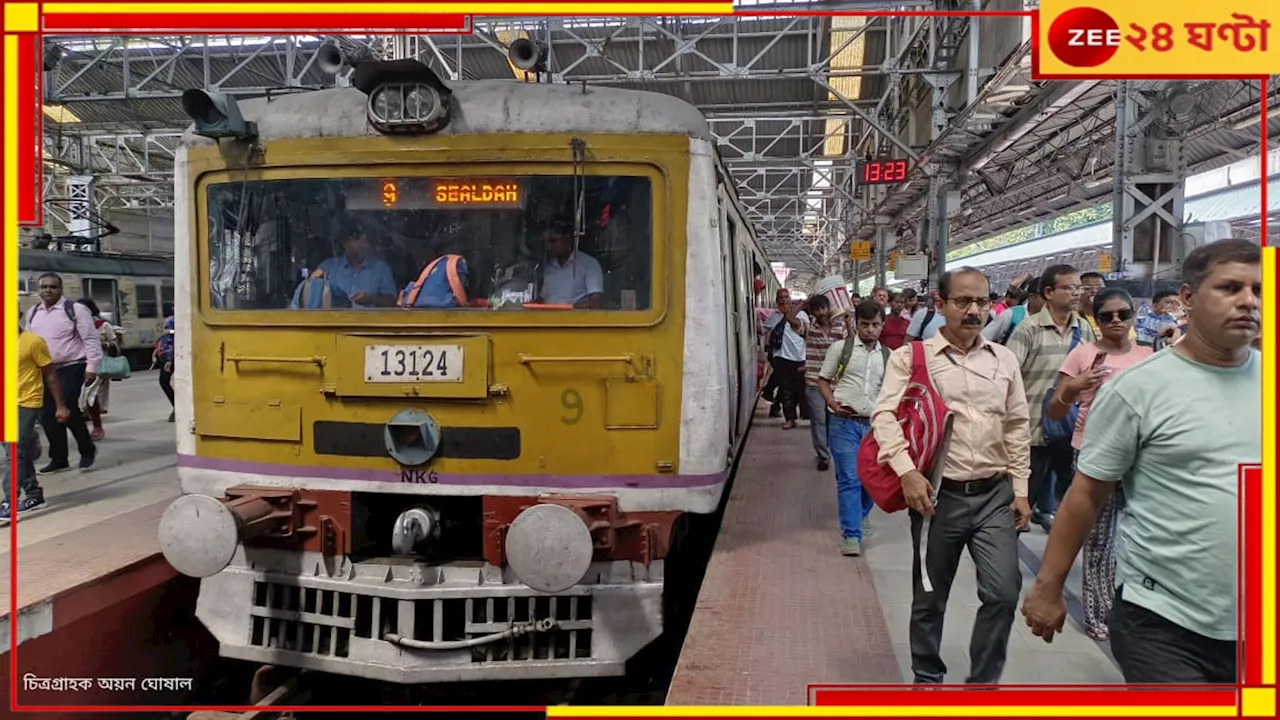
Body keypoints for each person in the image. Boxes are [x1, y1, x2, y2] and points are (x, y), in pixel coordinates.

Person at [1022, 238, 1260, 684]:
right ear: (1187, 298)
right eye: (1230, 288)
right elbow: (1087, 494)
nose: (1248, 301)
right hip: (1165, 623)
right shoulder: (1139, 388)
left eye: (1259, 290)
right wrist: (1048, 586)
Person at [872, 267, 1031, 685]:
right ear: (940, 306)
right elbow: (884, 416)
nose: (974, 310)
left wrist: (1021, 490)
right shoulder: (912, 358)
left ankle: (983, 684)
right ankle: (927, 678)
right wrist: (906, 472)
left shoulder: (1004, 359)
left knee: (1003, 593)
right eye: (963, 301)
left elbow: (1017, 425)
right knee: (929, 596)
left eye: (981, 301)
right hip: (938, 498)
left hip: (995, 495)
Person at [1045, 287, 1152, 641]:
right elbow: (1056, 410)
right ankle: (1098, 615)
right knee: (1099, 540)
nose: (1116, 321)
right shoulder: (1082, 355)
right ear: (1097, 319)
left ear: (1133, 316)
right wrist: (1075, 387)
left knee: (1136, 538)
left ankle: (1134, 607)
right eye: (1107, 316)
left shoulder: (1150, 356)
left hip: (1142, 459)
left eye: (1123, 314)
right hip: (1093, 454)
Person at [1006, 265, 1095, 531]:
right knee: (1019, 507)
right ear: (1048, 292)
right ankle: (1001, 566)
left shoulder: (1085, 330)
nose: (1077, 293)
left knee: (1076, 505)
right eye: (1069, 287)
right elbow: (1007, 378)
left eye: (1078, 287)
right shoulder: (1028, 330)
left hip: (1069, 432)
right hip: (1031, 432)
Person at [817, 301, 886, 556]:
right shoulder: (841, 349)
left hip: (875, 427)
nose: (870, 330)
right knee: (849, 478)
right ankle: (851, 535)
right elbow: (823, 379)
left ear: (882, 326)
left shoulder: (888, 356)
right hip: (843, 423)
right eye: (865, 324)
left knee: (872, 480)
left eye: (875, 325)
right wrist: (833, 403)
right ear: (856, 324)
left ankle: (861, 513)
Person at [24, 272, 100, 473]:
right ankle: (59, 458)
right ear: (38, 289)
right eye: (43, 287)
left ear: (60, 289)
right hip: (43, 369)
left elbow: (91, 339)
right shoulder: (33, 312)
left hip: (71, 366)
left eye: (52, 287)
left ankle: (87, 449)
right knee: (48, 415)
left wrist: (92, 367)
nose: (47, 290)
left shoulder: (75, 310)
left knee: (67, 409)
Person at [3, 319, 72, 520]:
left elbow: (50, 375)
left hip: (26, 402)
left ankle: (9, 501)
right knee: (16, 452)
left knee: (14, 452)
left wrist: (60, 405)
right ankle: (34, 494)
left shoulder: (33, 342)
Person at [802, 294, 845, 471]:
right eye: (816, 309)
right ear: (812, 311)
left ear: (829, 308)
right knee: (818, 420)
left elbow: (851, 342)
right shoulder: (808, 328)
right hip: (814, 382)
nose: (821, 312)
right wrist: (804, 303)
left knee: (832, 419)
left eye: (823, 308)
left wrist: (848, 321)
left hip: (835, 383)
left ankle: (830, 449)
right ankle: (823, 456)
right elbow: (789, 319)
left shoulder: (839, 328)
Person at [310, 226, 399, 308]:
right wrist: (312, 281)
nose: (363, 245)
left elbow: (393, 302)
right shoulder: (328, 267)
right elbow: (312, 295)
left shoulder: (381, 269)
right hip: (335, 322)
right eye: (356, 240)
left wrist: (372, 298)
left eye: (364, 240)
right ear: (345, 243)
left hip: (370, 323)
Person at [766, 290, 810, 429]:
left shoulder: (802, 315)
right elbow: (762, 330)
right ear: (776, 301)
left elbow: (807, 334)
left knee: (801, 389)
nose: (783, 300)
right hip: (781, 358)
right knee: (786, 390)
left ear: (791, 299)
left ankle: (804, 413)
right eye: (780, 298)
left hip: (800, 357)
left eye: (786, 297)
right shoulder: (773, 317)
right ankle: (790, 418)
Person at [78, 299, 119, 441]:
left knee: (93, 392)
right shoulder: (76, 325)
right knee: (82, 393)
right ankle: (87, 413)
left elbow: (115, 343)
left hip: (99, 363)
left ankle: (96, 420)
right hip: (79, 362)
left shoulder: (103, 325)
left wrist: (102, 344)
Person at [539, 222, 604, 309]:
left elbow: (595, 304)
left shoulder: (589, 264)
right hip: (547, 320)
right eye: (547, 242)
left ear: (567, 240)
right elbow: (543, 299)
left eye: (553, 241)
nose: (549, 247)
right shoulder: (549, 268)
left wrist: (565, 309)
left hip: (576, 320)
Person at [155, 311, 176, 422]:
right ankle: (177, 406)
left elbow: (172, 339)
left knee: (164, 381)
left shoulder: (174, 320)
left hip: (171, 356)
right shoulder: (170, 319)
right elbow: (164, 339)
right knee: (164, 381)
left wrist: (169, 359)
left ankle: (177, 406)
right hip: (167, 355)